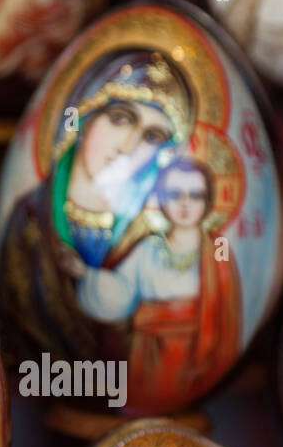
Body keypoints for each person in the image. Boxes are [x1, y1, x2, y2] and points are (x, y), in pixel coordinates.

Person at [0, 48, 194, 362]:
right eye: (120, 119)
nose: (128, 147)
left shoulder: (149, 234)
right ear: (85, 117)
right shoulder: (31, 220)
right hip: (50, 380)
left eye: (152, 137)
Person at [74, 157, 241, 410]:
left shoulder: (218, 249)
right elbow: (121, 291)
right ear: (162, 200)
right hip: (150, 354)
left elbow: (227, 309)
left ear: (207, 201)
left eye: (195, 195)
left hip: (197, 352)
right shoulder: (148, 248)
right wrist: (85, 274)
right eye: (175, 195)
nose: (185, 203)